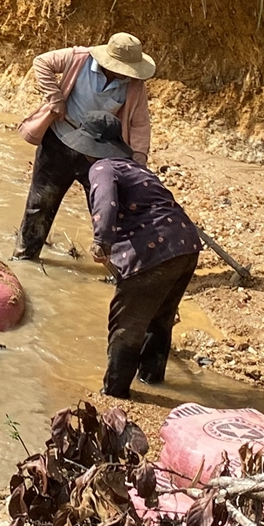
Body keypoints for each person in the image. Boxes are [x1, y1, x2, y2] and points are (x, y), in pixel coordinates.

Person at [65, 110, 202, 398]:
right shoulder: (137, 168)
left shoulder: (102, 169)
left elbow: (106, 201)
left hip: (153, 252)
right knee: (160, 317)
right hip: (186, 245)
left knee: (126, 324)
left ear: (89, 147)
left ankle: (115, 391)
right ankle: (152, 378)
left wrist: (102, 241)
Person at [12, 32, 154, 260]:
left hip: (100, 154)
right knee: (40, 204)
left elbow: (139, 122)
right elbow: (41, 62)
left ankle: (119, 269)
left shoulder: (135, 85)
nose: (123, 73)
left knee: (108, 209)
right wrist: (55, 99)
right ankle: (25, 257)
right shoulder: (78, 58)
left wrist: (139, 156)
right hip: (59, 142)